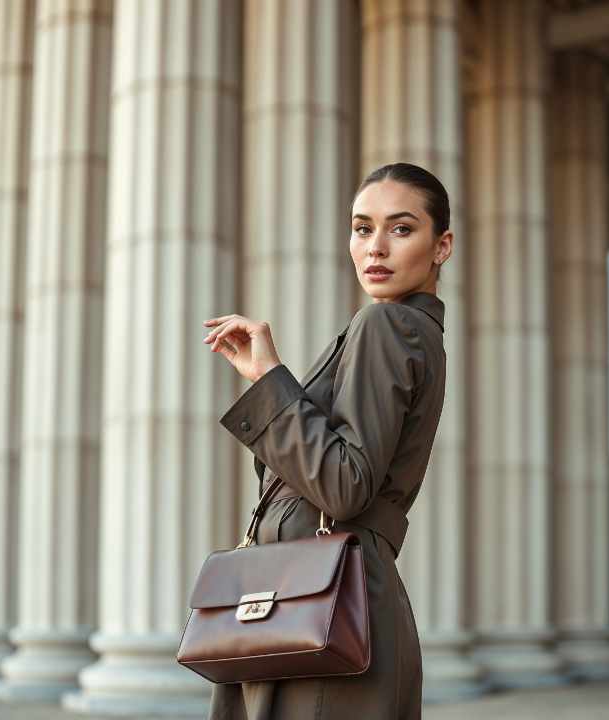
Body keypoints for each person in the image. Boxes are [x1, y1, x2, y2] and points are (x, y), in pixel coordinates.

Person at [201, 163, 452, 720]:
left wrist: (272, 382)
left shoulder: (386, 326)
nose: (376, 247)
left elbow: (345, 485)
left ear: (442, 246)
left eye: (402, 229)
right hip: (332, 602)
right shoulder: (418, 333)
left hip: (324, 608)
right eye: (363, 228)